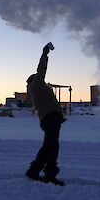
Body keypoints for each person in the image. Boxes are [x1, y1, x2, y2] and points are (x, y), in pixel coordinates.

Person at [25, 43, 66, 186]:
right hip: (50, 119)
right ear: (33, 80)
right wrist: (44, 54)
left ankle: (40, 171)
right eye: (37, 77)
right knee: (51, 147)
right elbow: (41, 70)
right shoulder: (36, 84)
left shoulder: (38, 89)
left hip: (51, 118)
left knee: (50, 146)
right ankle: (41, 172)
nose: (39, 78)